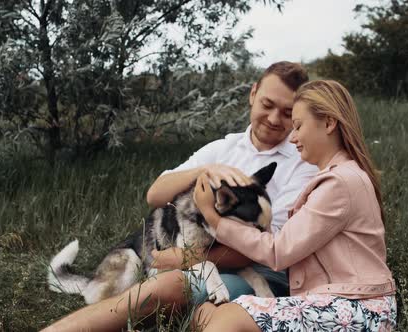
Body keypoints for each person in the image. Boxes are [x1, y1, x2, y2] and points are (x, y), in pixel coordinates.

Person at [42, 61, 318, 331]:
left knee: (170, 286)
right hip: (197, 259)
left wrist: (184, 259)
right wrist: (206, 170)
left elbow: (269, 248)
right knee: (162, 287)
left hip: (257, 271)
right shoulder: (224, 147)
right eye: (267, 105)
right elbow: (155, 194)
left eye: (286, 112)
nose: (273, 119)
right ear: (253, 93)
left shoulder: (302, 162)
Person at [192, 80, 397, 332]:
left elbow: (278, 251)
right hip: (340, 303)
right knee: (206, 311)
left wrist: (215, 219)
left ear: (329, 123)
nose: (293, 138)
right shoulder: (344, 176)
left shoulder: (340, 183)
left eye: (298, 126)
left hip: (357, 308)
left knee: (231, 317)